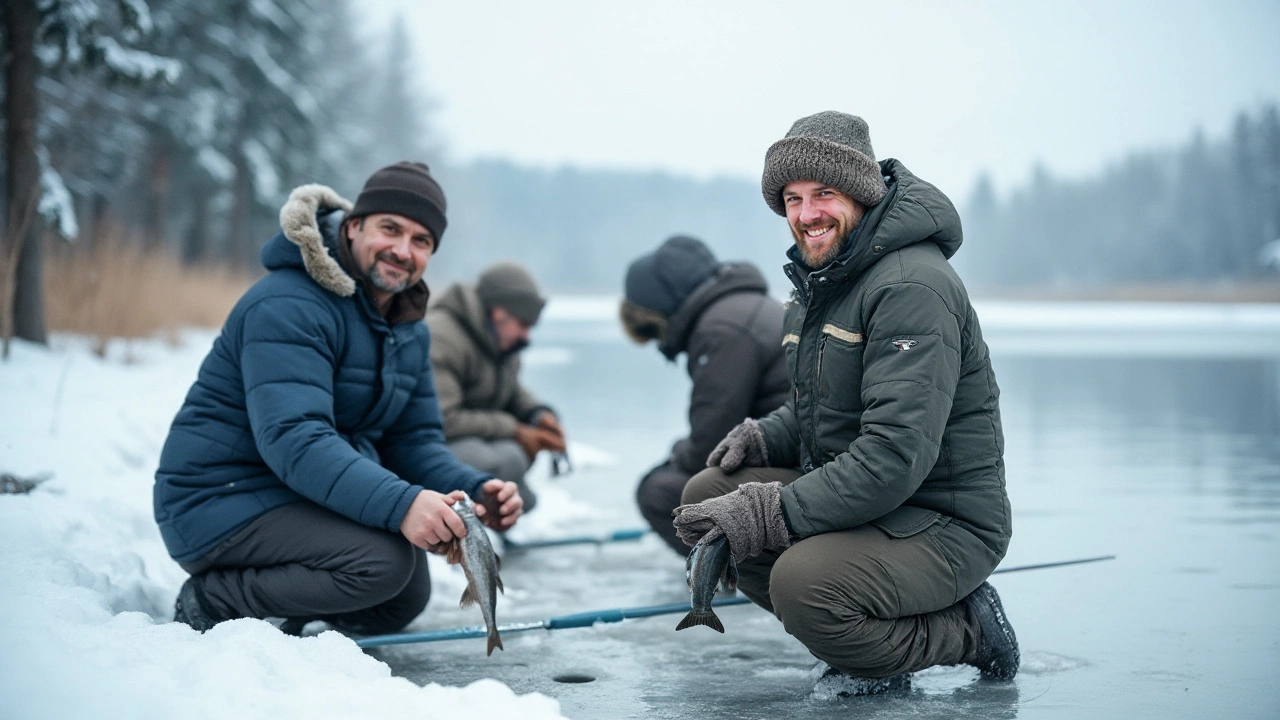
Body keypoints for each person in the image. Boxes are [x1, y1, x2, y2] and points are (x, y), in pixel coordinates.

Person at [672, 111, 1019, 693]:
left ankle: (966, 629)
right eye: (792, 198)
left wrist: (772, 512)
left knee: (805, 586)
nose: (807, 215)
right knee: (709, 492)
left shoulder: (910, 287)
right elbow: (822, 409)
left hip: (942, 520)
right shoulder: (820, 284)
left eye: (823, 194)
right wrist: (767, 435)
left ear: (859, 192)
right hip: (873, 507)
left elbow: (892, 455)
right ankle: (861, 645)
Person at [154, 162, 523, 636]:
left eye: (421, 241)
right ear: (352, 227)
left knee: (405, 594)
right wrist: (403, 504)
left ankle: (278, 613)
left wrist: (474, 489)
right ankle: (215, 600)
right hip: (216, 500)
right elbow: (294, 439)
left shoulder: (407, 329)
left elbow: (412, 442)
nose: (402, 250)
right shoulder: (288, 304)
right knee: (382, 563)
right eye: (390, 229)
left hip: (289, 495)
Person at [620, 235, 789, 554]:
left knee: (658, 492)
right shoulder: (746, 308)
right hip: (796, 456)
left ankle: (740, 578)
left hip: (790, 468)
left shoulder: (720, 330)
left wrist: (677, 455)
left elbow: (709, 446)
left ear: (661, 307)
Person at [426, 261, 566, 513]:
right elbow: (443, 419)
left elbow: (510, 390)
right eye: (524, 325)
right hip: (432, 445)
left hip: (471, 437)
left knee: (512, 457)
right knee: (501, 458)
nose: (526, 336)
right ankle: (470, 522)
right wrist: (514, 429)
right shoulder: (442, 336)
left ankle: (500, 513)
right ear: (500, 313)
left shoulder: (501, 339)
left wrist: (537, 414)